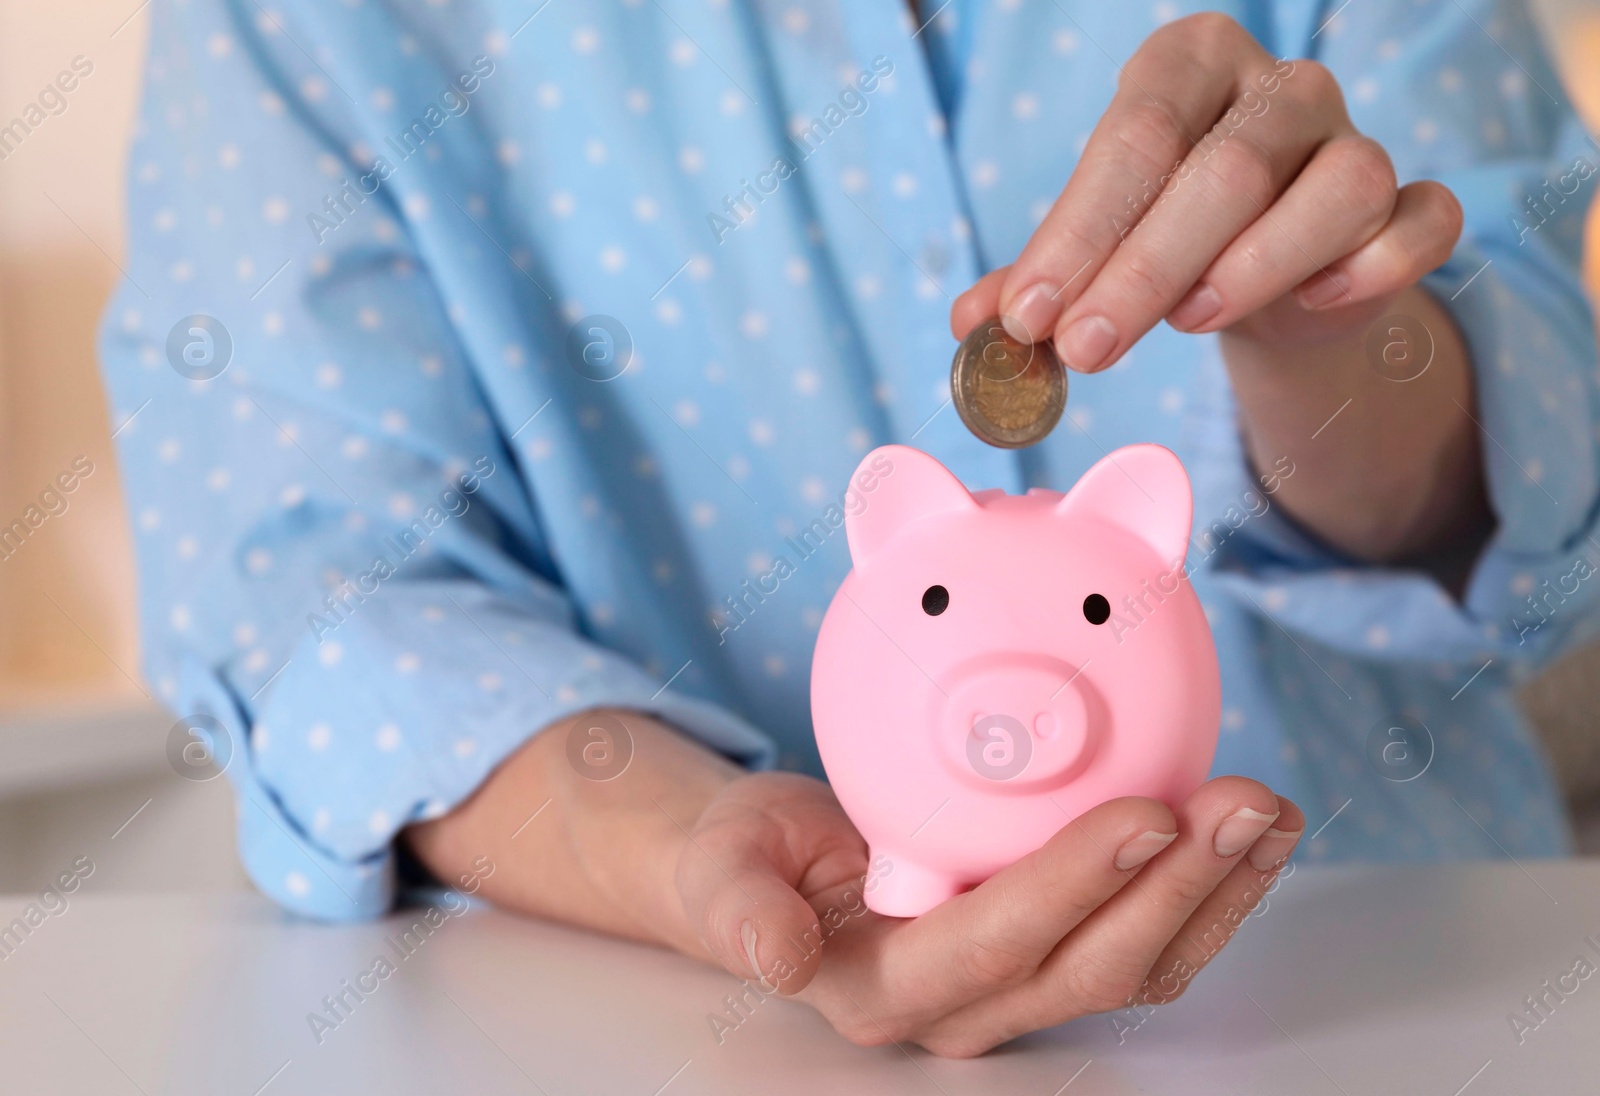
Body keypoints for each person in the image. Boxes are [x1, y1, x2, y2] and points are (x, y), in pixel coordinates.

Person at [100, 0, 1597, 1057]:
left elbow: (1553, 466)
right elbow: (320, 594)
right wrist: (695, 851)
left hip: (1395, 999)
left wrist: (1329, 341)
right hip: (654, 1035)